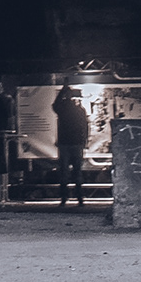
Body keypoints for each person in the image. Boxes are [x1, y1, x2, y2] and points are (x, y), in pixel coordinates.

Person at [50, 80, 93, 208]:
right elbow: (85, 127)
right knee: (77, 171)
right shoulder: (80, 110)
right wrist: (85, 141)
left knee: (64, 171)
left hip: (65, 143)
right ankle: (79, 198)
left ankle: (64, 198)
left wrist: (64, 89)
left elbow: (55, 104)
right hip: (76, 143)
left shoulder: (62, 109)